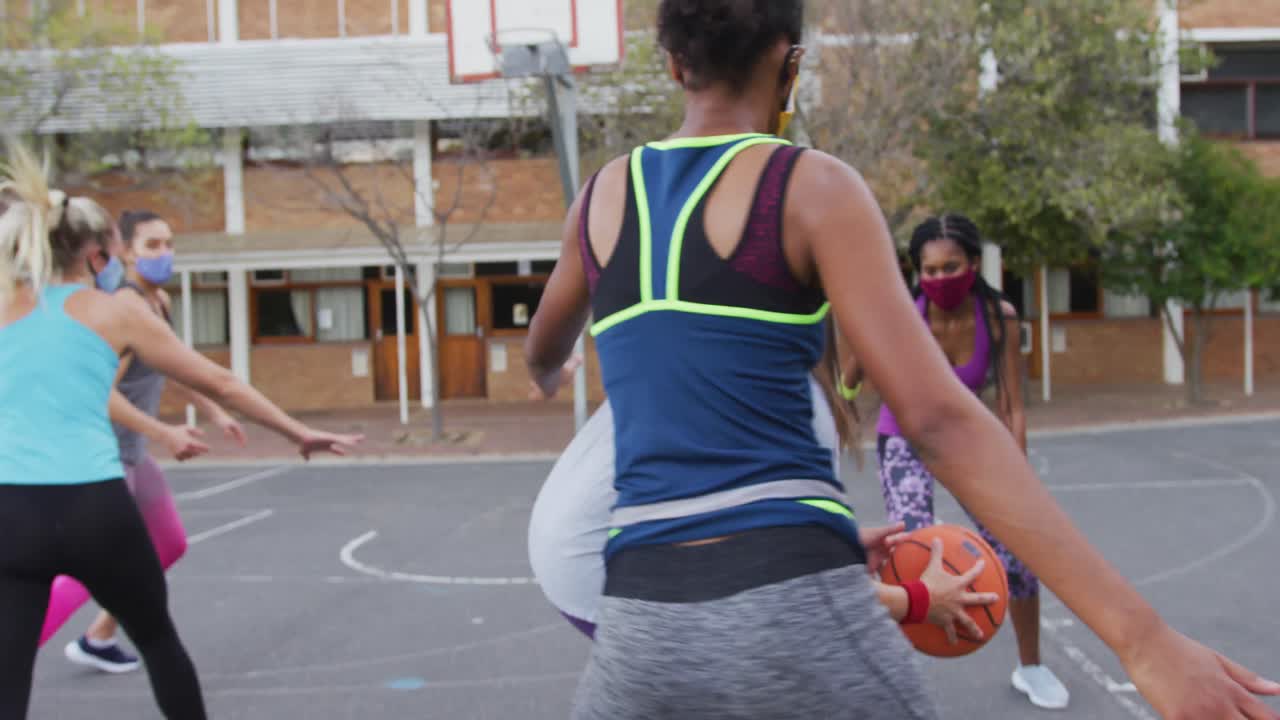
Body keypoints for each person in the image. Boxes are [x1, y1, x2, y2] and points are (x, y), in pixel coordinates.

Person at [522, 2, 1280, 718]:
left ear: (672, 64)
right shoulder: (809, 187)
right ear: (790, 67)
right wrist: (1142, 639)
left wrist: (551, 371)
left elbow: (544, 346)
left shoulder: (597, 201)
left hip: (640, 630)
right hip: (792, 609)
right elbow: (939, 421)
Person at [0, 141, 361, 719]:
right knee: (159, 642)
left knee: (8, 677)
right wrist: (298, 432)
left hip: (11, 512)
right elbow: (221, 382)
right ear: (96, 254)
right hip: (94, 505)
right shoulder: (116, 310)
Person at [528, 326, 987, 641]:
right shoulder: (796, 408)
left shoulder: (737, 347)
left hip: (572, 530)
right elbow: (798, 583)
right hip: (593, 562)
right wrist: (919, 599)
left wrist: (833, 543)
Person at [875, 213, 1068, 708]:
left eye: (951, 266)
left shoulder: (998, 315)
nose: (940, 278)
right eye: (930, 270)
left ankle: (1032, 667)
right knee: (911, 551)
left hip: (966, 436)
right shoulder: (902, 314)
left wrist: (1019, 476)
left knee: (1021, 554)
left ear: (974, 263)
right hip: (907, 436)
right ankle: (897, 677)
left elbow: (1010, 403)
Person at [59, 209, 248, 674]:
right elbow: (97, 393)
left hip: (133, 454)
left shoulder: (158, 301)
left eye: (169, 244)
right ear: (124, 251)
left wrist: (212, 409)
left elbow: (167, 364)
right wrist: (164, 431)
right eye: (153, 246)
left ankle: (99, 636)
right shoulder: (124, 308)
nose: (165, 254)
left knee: (167, 543)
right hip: (102, 454)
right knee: (88, 564)